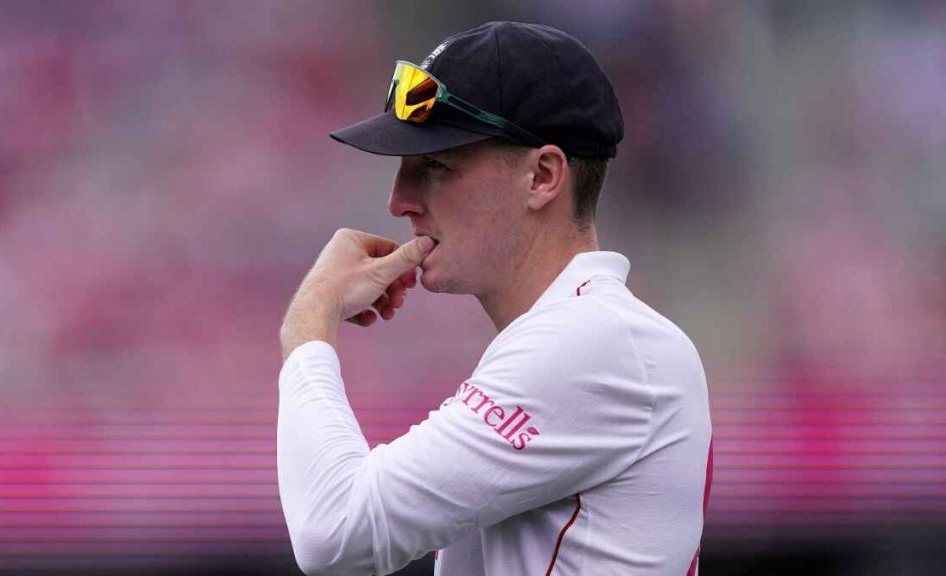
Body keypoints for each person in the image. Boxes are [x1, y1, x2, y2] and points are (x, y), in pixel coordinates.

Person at [277, 21, 712, 576]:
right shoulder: (583, 336)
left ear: (543, 177)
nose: (398, 201)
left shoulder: (596, 341)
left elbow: (335, 531)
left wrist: (308, 323)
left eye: (435, 165)